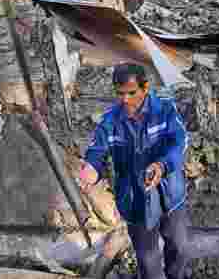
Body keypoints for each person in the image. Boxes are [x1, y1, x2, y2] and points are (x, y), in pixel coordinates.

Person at [78, 63, 191, 279]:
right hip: (135, 200)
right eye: (120, 94)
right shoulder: (110, 122)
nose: (125, 100)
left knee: (180, 248)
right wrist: (91, 169)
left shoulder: (165, 111)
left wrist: (162, 165)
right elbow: (97, 151)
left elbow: (179, 142)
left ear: (145, 87)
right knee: (148, 261)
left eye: (132, 93)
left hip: (170, 194)